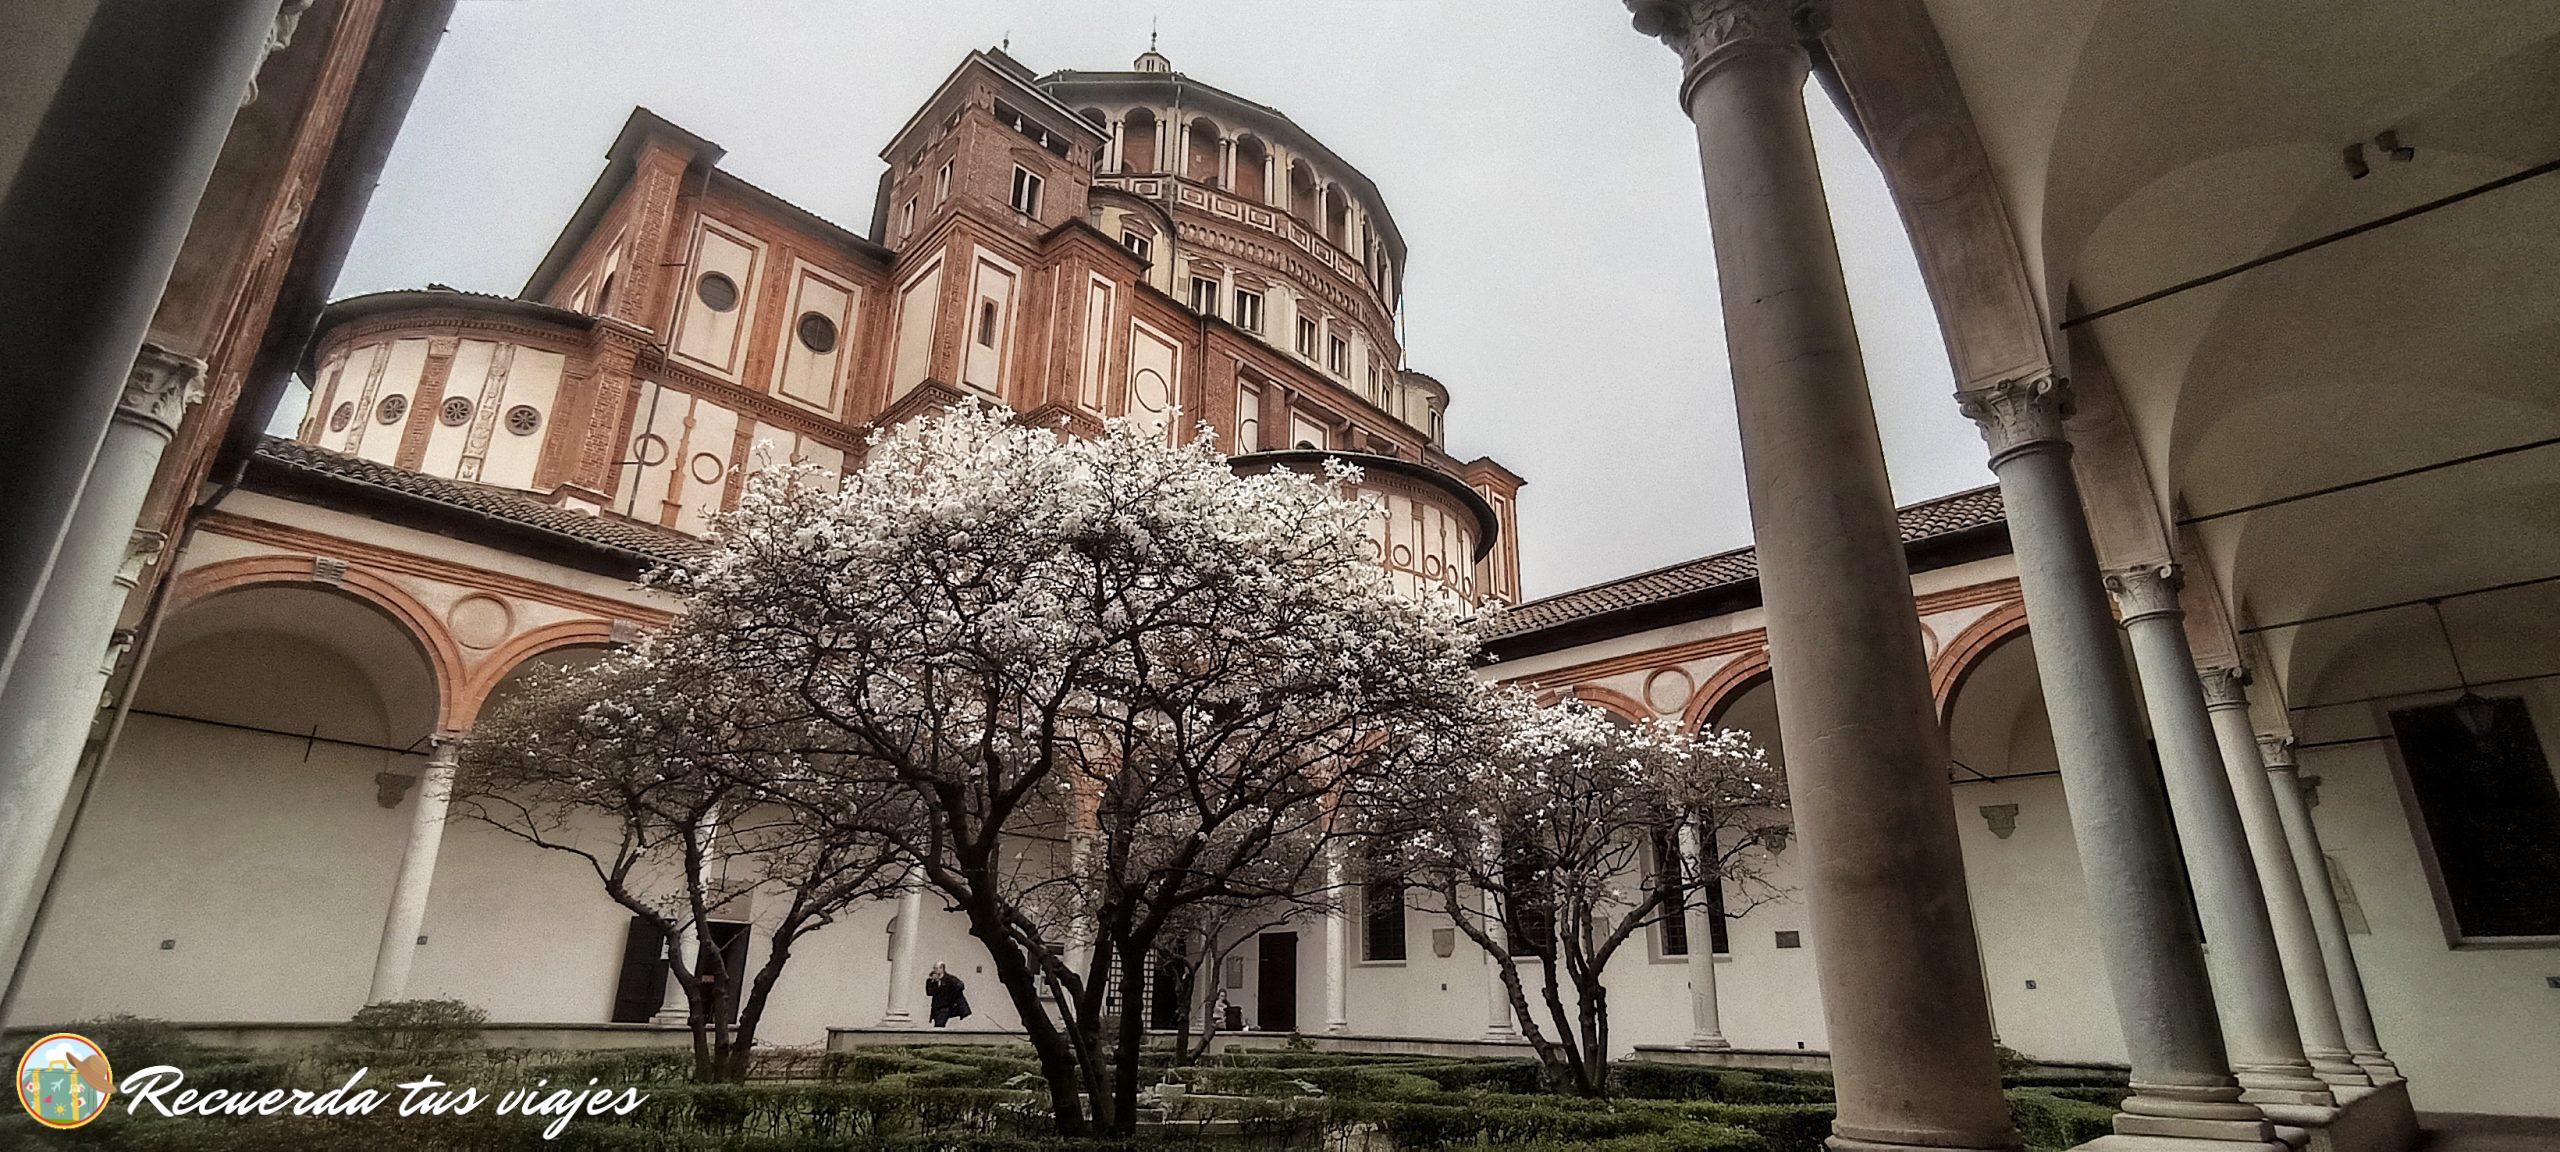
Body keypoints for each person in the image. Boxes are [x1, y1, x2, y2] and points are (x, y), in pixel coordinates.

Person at [925, 962, 971, 1028]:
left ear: (942, 969)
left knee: (939, 1025)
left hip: (946, 1007)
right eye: (934, 968)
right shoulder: (932, 980)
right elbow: (929, 992)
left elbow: (960, 985)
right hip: (937, 1007)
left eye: (936, 968)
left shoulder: (950, 979)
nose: (934, 970)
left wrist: (952, 996)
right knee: (938, 1024)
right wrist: (933, 982)